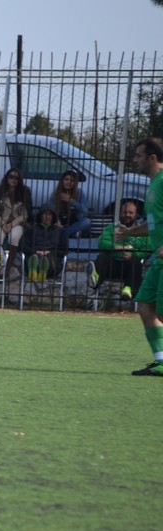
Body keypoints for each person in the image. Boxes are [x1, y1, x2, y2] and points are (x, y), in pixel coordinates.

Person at [113, 137, 163, 377]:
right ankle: (161, 361)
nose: (134, 160)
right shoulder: (153, 184)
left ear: (152, 158)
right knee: (145, 306)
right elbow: (153, 224)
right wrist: (129, 232)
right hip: (159, 259)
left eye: (138, 156)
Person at [87, 199, 152, 301]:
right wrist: (118, 247)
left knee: (137, 264)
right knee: (101, 258)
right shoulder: (111, 227)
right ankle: (95, 280)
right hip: (112, 263)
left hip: (129, 265)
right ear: (120, 213)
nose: (127, 215)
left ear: (136, 215)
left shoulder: (141, 231)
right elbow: (101, 242)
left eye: (130, 212)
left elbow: (148, 249)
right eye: (124, 212)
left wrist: (133, 254)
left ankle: (128, 290)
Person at [19, 207, 68, 282]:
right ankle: (34, 270)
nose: (47, 217)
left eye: (49, 214)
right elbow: (22, 246)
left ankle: (42, 270)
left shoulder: (61, 232)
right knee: (34, 258)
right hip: (33, 254)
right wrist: (36, 251)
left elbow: (64, 250)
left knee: (47, 259)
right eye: (45, 214)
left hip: (52, 259)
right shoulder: (30, 230)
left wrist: (50, 252)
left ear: (53, 216)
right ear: (40, 216)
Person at [0, 167, 31, 252]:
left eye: (16, 178)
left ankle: (11, 258)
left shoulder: (24, 193)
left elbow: (25, 214)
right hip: (0, 222)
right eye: (11, 177)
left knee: (14, 237)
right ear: (7, 178)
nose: (13, 180)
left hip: (17, 223)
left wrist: (12, 224)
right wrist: (3, 224)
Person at [49, 170, 90, 238]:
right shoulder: (55, 194)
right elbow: (50, 210)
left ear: (75, 183)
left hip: (74, 223)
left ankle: (63, 234)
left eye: (72, 180)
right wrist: (56, 220)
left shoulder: (79, 193)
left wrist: (72, 201)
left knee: (87, 222)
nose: (68, 182)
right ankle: (72, 234)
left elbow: (85, 210)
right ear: (62, 181)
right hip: (60, 223)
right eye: (66, 179)